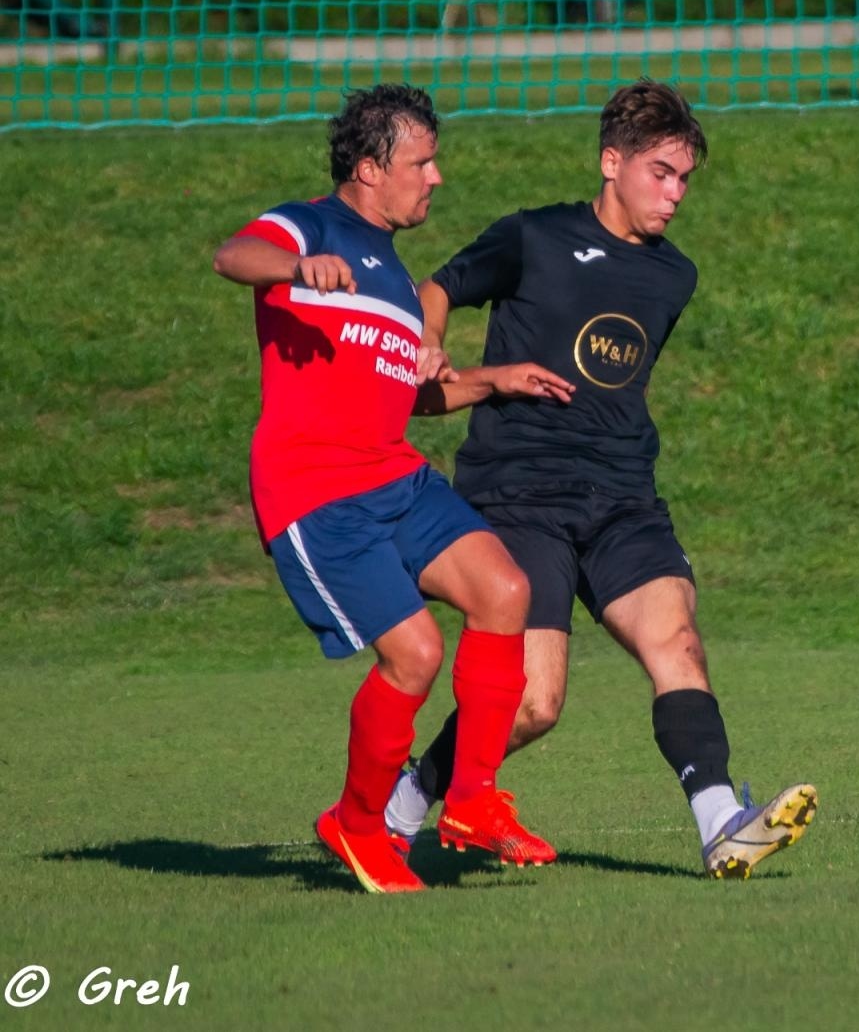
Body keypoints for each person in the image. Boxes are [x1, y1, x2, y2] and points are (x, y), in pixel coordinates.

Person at [385, 79, 818, 880]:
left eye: (685, 179)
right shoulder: (534, 237)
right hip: (522, 495)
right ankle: (404, 805)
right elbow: (438, 288)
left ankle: (722, 823)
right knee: (529, 705)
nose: (675, 194)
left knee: (678, 642)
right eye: (661, 172)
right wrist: (428, 341)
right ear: (610, 162)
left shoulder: (673, 278)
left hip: (622, 497)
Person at [212, 83, 573, 894]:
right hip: (316, 489)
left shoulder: (396, 281)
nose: (436, 176)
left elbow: (411, 397)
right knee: (414, 654)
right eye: (423, 161)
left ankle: (472, 800)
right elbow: (232, 256)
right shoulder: (310, 223)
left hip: (393, 470)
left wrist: (490, 379)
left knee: (504, 590)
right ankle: (357, 822)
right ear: (371, 168)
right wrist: (296, 265)